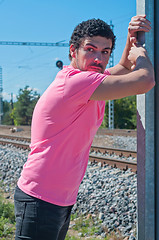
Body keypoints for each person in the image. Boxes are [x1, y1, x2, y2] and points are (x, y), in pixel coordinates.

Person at [14, 15, 155, 240]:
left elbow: (123, 68)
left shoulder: (92, 80)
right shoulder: (75, 83)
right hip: (39, 198)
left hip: (60, 199)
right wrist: (141, 54)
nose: (98, 58)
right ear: (73, 51)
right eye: (91, 49)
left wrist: (131, 38)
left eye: (105, 52)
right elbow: (145, 80)